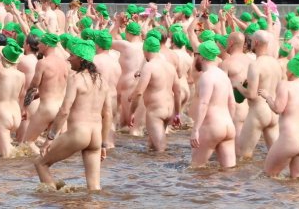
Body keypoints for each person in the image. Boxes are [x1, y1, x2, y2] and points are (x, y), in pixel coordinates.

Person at [34, 39, 112, 191]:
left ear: (81, 59)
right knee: (94, 187)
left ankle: (51, 200)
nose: (68, 59)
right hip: (96, 136)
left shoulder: (76, 78)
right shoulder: (103, 81)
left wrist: (50, 138)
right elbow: (108, 114)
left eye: (72, 55)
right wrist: (103, 144)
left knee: (40, 163)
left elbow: (64, 110)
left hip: (79, 133)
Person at [259, 52, 299, 178]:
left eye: (288, 68)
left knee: (269, 175)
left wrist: (267, 97)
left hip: (290, 138)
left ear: (292, 70)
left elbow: (278, 108)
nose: (286, 71)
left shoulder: (285, 85)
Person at [128, 36, 181, 151]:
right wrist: (177, 114)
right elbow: (178, 91)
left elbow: (139, 92)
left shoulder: (149, 66)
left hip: (156, 112)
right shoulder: (170, 66)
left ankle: (166, 162)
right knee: (152, 146)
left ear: (145, 50)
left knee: (160, 150)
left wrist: (131, 112)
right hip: (169, 110)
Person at [190, 40, 236, 168]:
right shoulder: (223, 76)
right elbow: (232, 103)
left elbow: (204, 103)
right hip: (228, 126)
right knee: (229, 170)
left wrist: (195, 130)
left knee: (196, 168)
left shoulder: (207, 76)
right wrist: (230, 122)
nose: (195, 58)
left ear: (202, 57)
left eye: (196, 54)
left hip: (212, 127)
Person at [235, 30, 280, 160]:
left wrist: (237, 85)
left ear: (256, 42)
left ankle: (248, 175)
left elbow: (251, 94)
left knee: (243, 155)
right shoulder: (276, 63)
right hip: (273, 111)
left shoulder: (255, 65)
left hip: (258, 111)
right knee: (276, 155)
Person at [22, 32, 70, 154]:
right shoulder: (65, 64)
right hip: (60, 109)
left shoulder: (43, 63)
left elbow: (33, 87)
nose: (38, 46)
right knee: (50, 146)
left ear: (47, 45)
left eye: (41, 43)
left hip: (47, 109)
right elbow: (57, 87)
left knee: (27, 143)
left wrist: (25, 107)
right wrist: (39, 95)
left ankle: (38, 162)